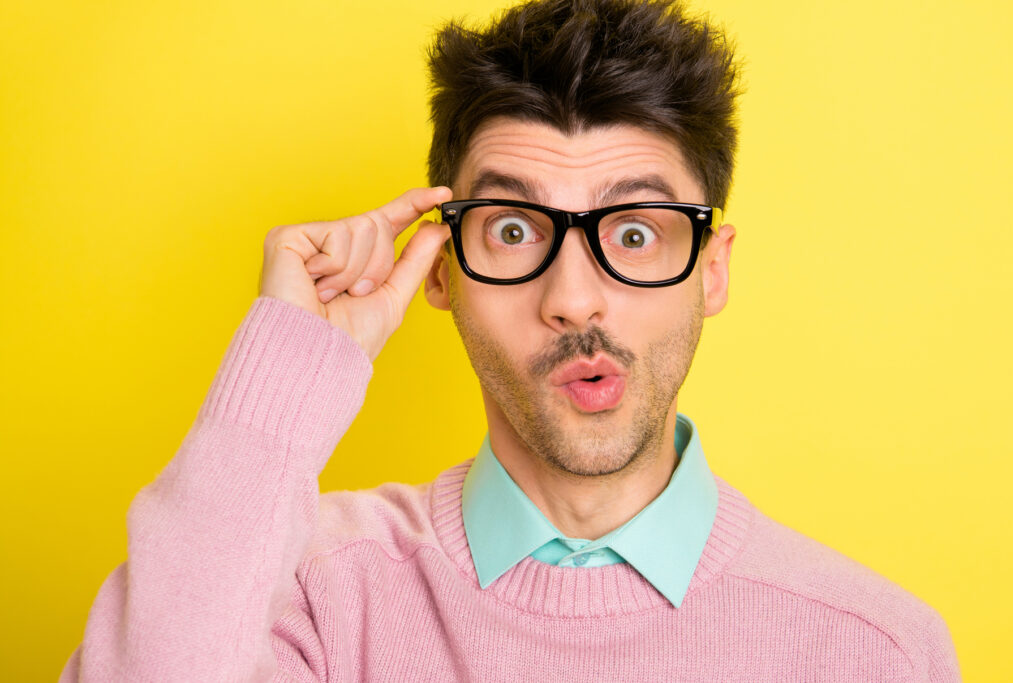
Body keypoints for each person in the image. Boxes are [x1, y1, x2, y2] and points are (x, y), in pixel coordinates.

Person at [62, 0, 961, 680]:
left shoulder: (874, 648)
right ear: (440, 271)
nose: (574, 300)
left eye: (636, 232)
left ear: (712, 269)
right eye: (516, 231)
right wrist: (287, 374)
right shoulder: (308, 596)